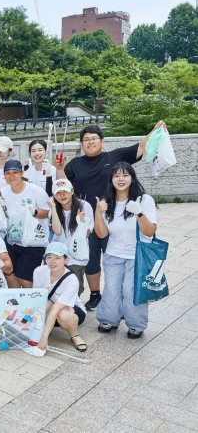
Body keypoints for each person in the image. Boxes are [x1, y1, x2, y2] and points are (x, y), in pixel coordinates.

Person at [57, 121, 164, 311]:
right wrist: (58, 168)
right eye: (86, 139)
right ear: (81, 144)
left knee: (116, 259)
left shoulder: (115, 156)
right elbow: (63, 187)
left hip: (113, 219)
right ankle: (95, 294)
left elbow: (141, 147)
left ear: (102, 141)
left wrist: (154, 131)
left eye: (94, 138)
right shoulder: (75, 164)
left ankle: (120, 295)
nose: (90, 142)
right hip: (86, 221)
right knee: (90, 260)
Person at [94, 162, 157, 339]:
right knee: (111, 289)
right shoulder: (107, 202)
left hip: (138, 255)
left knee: (131, 290)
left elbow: (150, 231)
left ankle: (136, 324)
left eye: (125, 175)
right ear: (111, 180)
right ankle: (109, 319)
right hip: (113, 254)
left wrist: (139, 213)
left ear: (132, 178)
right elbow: (101, 234)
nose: (120, 179)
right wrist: (98, 213)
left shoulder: (144, 200)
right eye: (116, 176)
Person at [0, 159, 50, 288]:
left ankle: (35, 299)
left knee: (24, 277)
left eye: (15, 172)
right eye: (8, 173)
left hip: (33, 242)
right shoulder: (2, 192)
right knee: (9, 273)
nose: (11, 176)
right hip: (12, 240)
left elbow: (47, 212)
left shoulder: (36, 190)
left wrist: (35, 213)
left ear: (22, 173)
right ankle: (17, 299)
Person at [32, 242, 87, 352]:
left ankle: (74, 335)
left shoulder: (71, 280)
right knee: (45, 304)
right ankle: (39, 329)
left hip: (70, 311)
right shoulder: (39, 271)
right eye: (49, 257)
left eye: (57, 258)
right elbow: (37, 298)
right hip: (50, 307)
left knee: (62, 313)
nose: (52, 261)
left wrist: (44, 338)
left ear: (66, 260)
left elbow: (55, 310)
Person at [48, 178, 93, 296]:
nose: (62, 195)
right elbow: (57, 231)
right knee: (57, 289)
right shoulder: (53, 209)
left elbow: (87, 234)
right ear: (54, 195)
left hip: (76, 255)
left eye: (65, 191)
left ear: (72, 191)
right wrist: (53, 208)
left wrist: (82, 223)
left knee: (75, 289)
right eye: (58, 192)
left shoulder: (84, 206)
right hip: (58, 255)